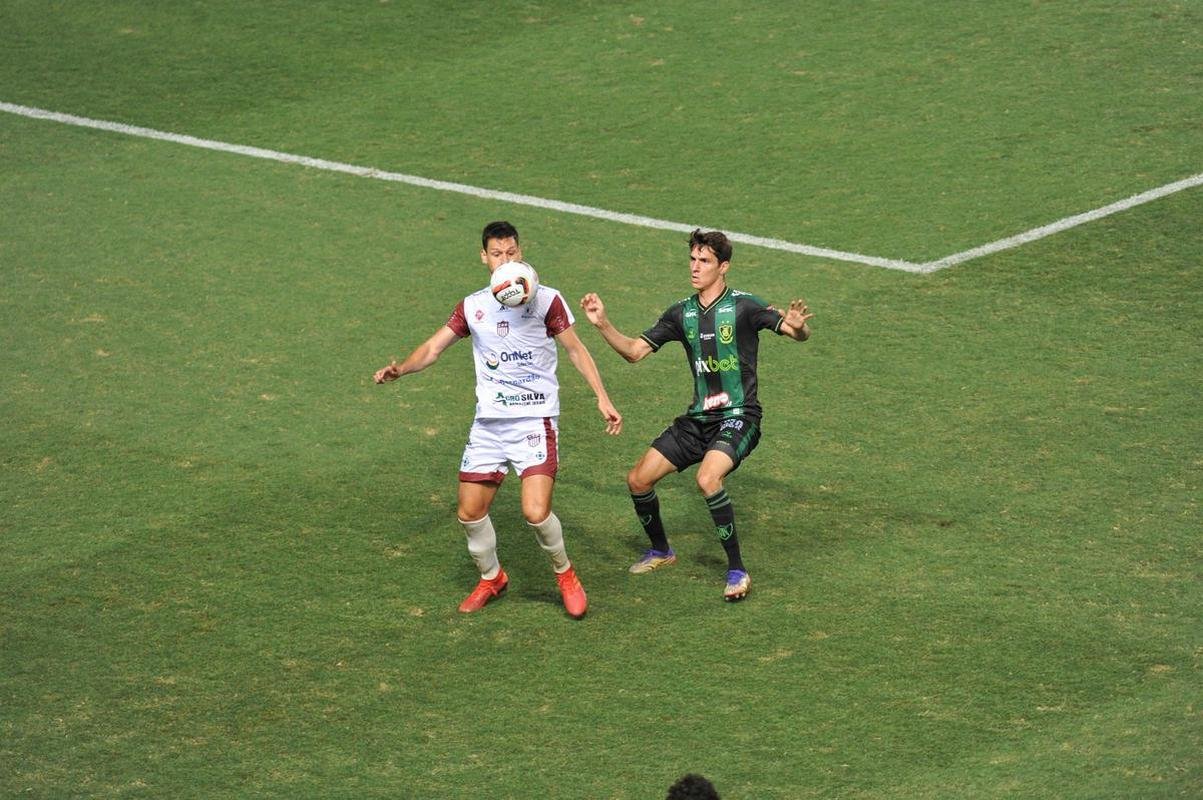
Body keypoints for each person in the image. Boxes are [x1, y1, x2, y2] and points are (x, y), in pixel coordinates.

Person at [374, 220, 622, 618]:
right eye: (497, 254)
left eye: (511, 253)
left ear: (520, 253)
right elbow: (435, 347)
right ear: (484, 258)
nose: (505, 260)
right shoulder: (473, 306)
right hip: (489, 423)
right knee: (469, 512)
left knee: (535, 512)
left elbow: (576, 351)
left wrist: (602, 397)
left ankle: (565, 574)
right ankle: (492, 577)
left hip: (534, 419)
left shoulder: (547, 300)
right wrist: (401, 369)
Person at [580, 229, 812, 601]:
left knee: (708, 479)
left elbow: (791, 329)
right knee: (638, 480)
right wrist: (603, 323)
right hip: (698, 419)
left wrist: (799, 329)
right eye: (692, 259)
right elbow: (635, 352)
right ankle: (661, 551)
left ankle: (737, 569)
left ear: (724, 267)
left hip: (740, 415)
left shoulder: (745, 306)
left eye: (704, 261)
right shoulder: (681, 313)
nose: (695, 267)